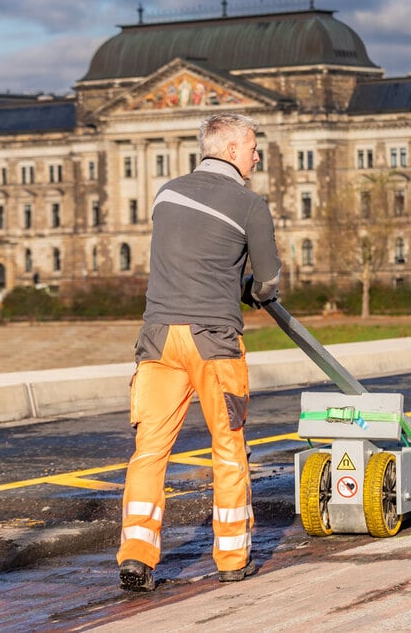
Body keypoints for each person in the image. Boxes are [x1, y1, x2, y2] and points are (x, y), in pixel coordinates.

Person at [117, 112, 282, 592]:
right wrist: (250, 287)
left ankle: (136, 556)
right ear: (231, 149)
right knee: (227, 447)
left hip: (157, 338)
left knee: (148, 453)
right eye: (252, 147)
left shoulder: (165, 194)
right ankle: (232, 557)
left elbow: (187, 251)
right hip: (214, 341)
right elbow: (268, 282)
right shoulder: (251, 205)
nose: (256, 155)